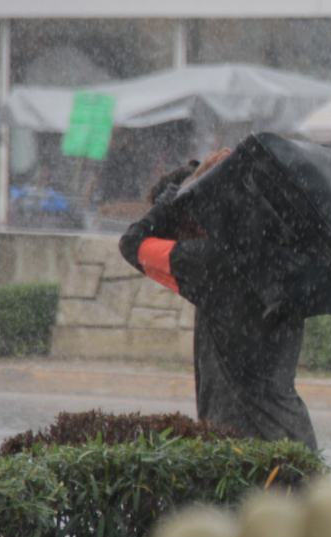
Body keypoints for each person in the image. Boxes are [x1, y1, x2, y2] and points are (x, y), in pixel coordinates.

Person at [119, 150, 317, 448]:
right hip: (295, 442)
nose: (174, 242)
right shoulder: (279, 257)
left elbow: (132, 242)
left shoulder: (211, 264)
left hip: (240, 448)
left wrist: (177, 198)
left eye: (172, 233)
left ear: (187, 220)